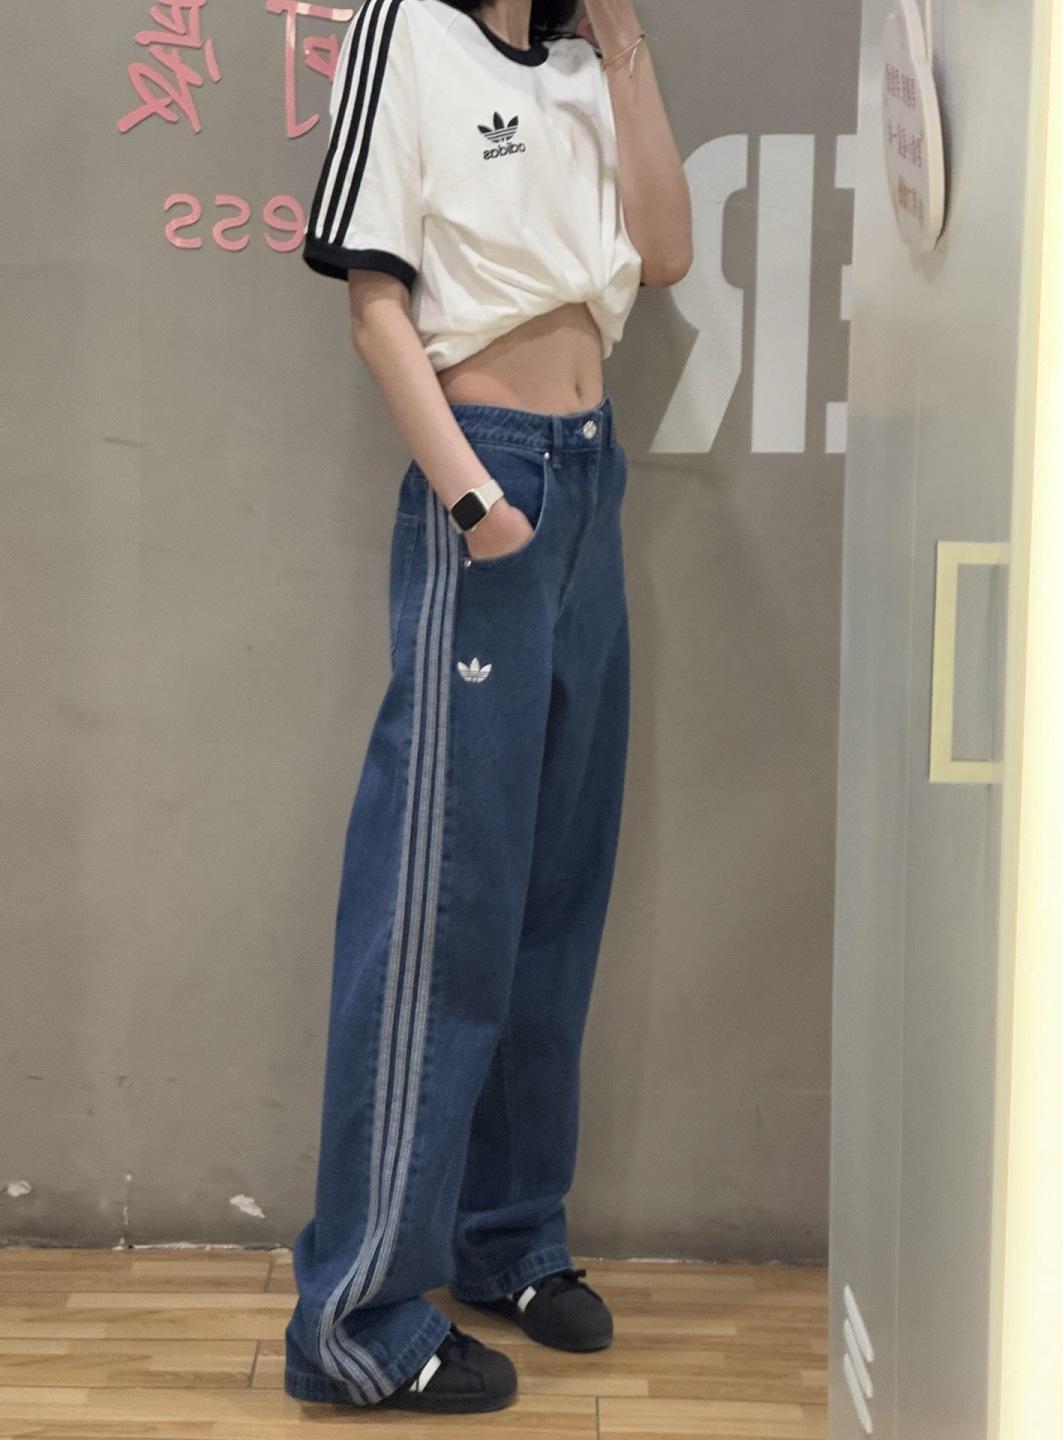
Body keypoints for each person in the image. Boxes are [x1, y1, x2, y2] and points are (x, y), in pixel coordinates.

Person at [284, 0, 691, 1415]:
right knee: (441, 900)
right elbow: (372, 301)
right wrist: (471, 497)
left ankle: (506, 1238)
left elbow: (667, 252)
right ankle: (356, 1318)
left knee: (553, 889)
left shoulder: (584, 62)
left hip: (590, 479)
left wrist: (624, 42)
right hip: (495, 479)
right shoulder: (406, 30)